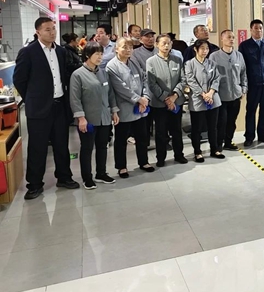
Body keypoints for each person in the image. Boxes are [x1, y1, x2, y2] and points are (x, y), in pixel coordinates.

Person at [14, 17, 78, 199]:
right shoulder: (28, 52)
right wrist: (32, 98)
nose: (52, 32)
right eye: (47, 29)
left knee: (61, 145)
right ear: (38, 32)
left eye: (53, 29)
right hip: (39, 108)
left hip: (59, 105)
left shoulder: (61, 51)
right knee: (38, 147)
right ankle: (34, 184)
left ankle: (64, 177)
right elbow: (19, 79)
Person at [69, 42, 119, 189]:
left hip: (104, 117)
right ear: (87, 55)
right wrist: (81, 118)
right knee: (87, 148)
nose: (100, 57)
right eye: (97, 54)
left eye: (101, 54)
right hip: (88, 119)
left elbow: (110, 94)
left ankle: (101, 173)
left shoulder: (103, 72)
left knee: (103, 146)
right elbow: (75, 99)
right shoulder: (77, 74)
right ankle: (87, 178)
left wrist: (114, 111)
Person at [107, 38, 154, 178]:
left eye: (130, 47)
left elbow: (144, 79)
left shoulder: (133, 62)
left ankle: (144, 162)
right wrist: (139, 99)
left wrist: (145, 97)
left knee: (142, 137)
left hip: (141, 107)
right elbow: (121, 88)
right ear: (116, 48)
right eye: (124, 47)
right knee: (121, 139)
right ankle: (121, 166)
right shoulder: (111, 66)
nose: (128, 50)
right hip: (124, 108)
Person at [147, 34, 188, 167]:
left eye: (168, 43)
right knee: (161, 132)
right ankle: (161, 157)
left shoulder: (177, 60)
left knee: (176, 130)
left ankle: (179, 154)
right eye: (163, 43)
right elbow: (152, 83)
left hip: (176, 101)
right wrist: (166, 98)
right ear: (157, 45)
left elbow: (183, 79)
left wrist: (174, 96)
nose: (166, 46)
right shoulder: (151, 61)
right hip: (159, 103)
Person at [239, 19, 264, 147]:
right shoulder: (245, 45)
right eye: (256, 28)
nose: (258, 30)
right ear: (251, 30)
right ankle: (249, 136)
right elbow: (242, 66)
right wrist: (243, 84)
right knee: (251, 110)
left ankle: (263, 134)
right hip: (253, 83)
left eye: (260, 28)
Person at [185, 39, 224, 162]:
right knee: (197, 128)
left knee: (213, 127)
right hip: (198, 100)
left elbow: (216, 78)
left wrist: (210, 93)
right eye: (202, 48)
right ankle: (198, 152)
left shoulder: (212, 63)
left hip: (213, 99)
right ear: (195, 49)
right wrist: (203, 95)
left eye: (207, 48)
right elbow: (191, 81)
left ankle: (214, 149)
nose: (205, 51)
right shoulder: (189, 64)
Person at [210, 29, 247, 150]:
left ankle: (228, 141)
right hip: (221, 95)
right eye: (228, 37)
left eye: (233, 37)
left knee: (232, 121)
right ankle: (218, 144)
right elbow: (210, 76)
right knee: (221, 121)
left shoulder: (239, 55)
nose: (231, 39)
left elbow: (243, 73)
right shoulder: (214, 56)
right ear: (222, 39)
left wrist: (243, 89)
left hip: (236, 94)